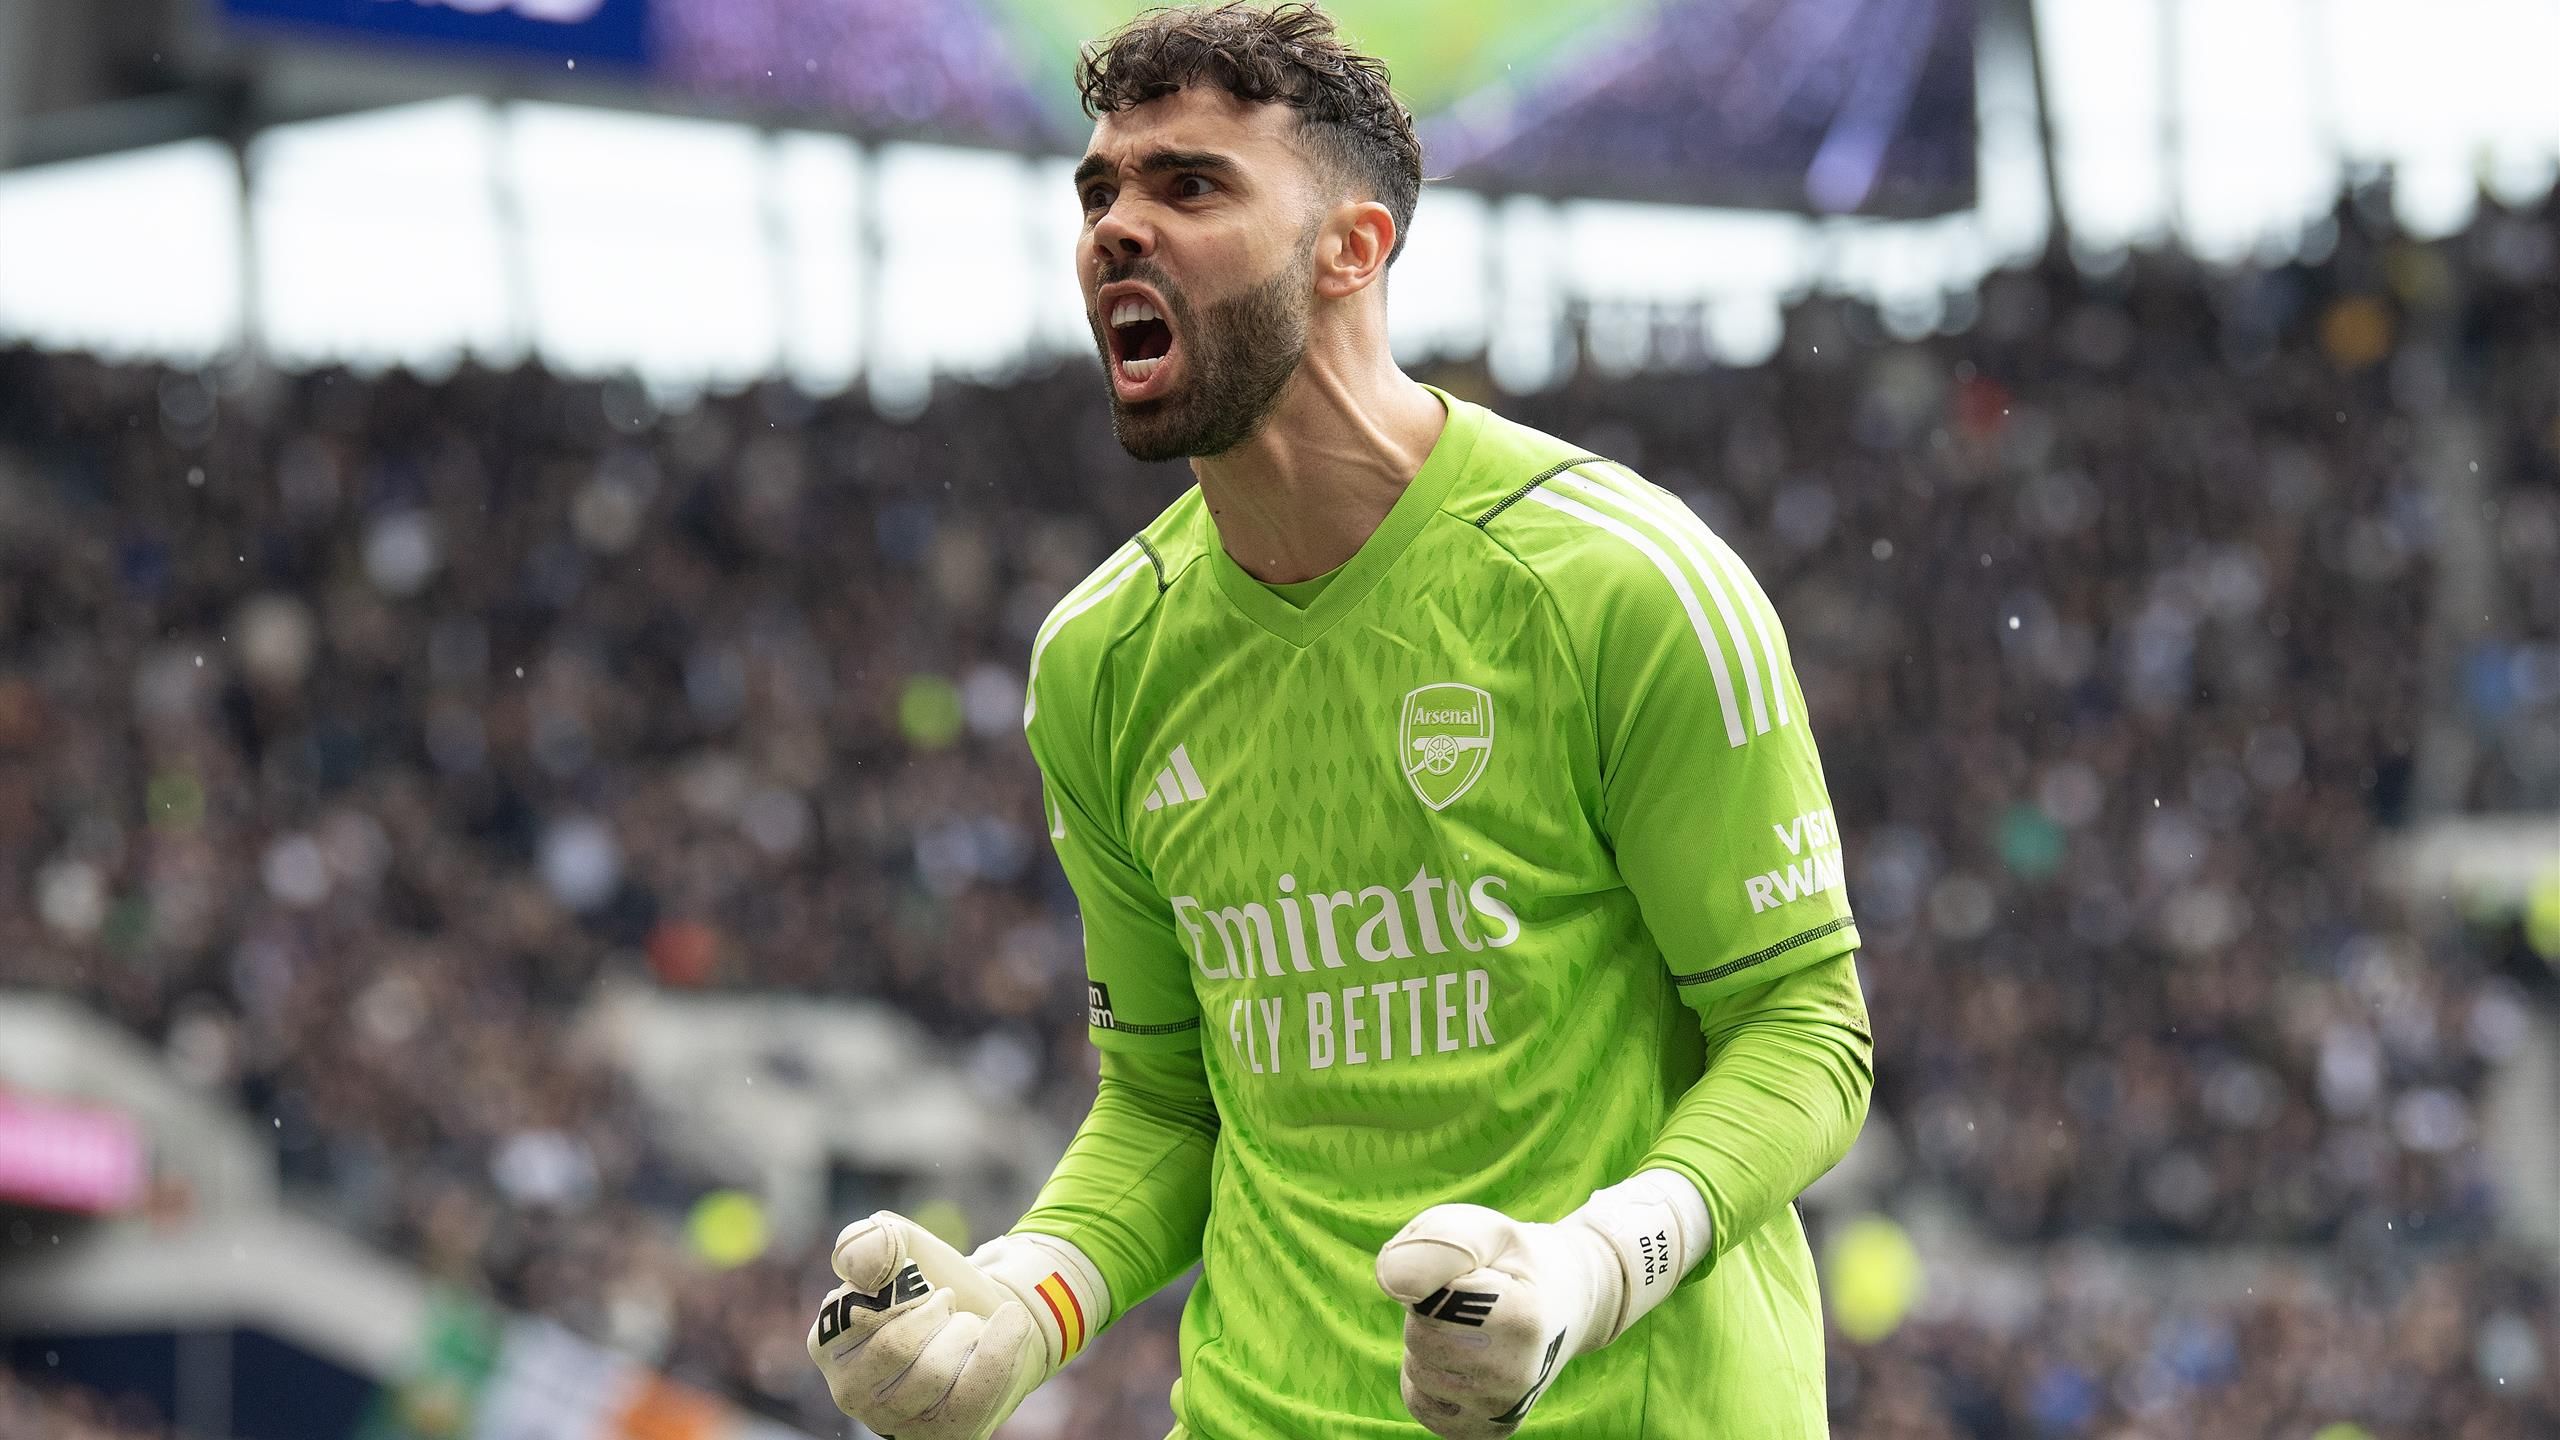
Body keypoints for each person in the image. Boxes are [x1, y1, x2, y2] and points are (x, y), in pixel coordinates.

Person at [805, 4, 1873, 1436]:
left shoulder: (1618, 582)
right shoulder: (1101, 660)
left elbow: (1803, 1034)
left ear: (1352, 248)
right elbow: (1169, 1104)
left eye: (1190, 185)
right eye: (1098, 191)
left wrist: (1595, 1266)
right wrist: (1023, 1302)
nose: (1116, 228)